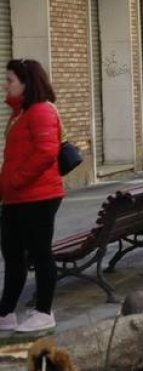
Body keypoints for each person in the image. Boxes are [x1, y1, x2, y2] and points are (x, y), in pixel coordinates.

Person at [0, 59, 65, 334]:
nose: (6, 85)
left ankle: (44, 311)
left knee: (40, 254)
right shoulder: (22, 113)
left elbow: (45, 154)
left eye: (11, 80)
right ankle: (6, 313)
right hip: (16, 198)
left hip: (37, 197)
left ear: (27, 83)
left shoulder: (41, 112)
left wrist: (15, 180)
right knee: (12, 255)